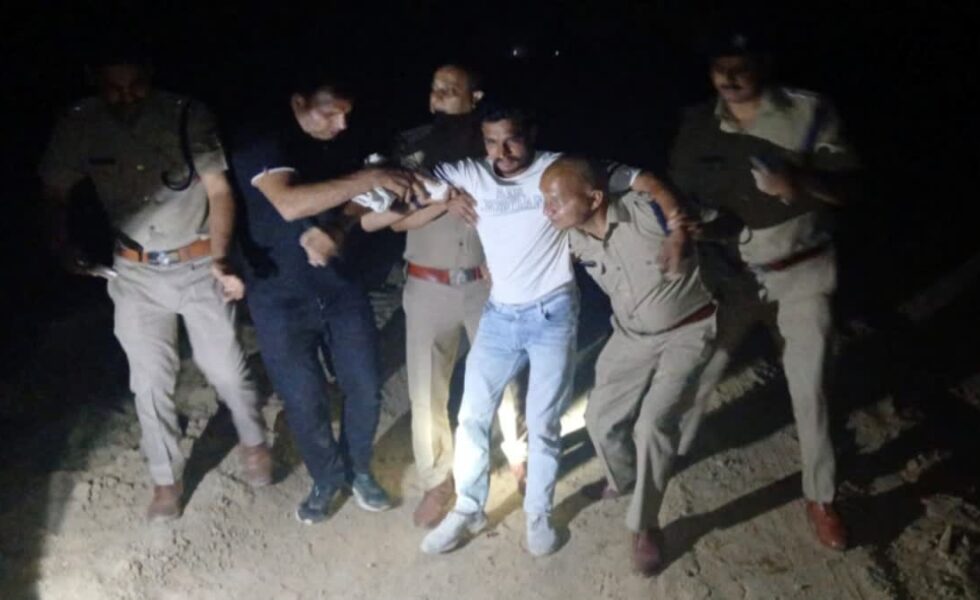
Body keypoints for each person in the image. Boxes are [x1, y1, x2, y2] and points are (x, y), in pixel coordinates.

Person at [418, 104, 689, 556]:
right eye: (491, 141)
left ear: (531, 133)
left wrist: (677, 224)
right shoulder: (472, 174)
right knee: (471, 416)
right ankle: (468, 507)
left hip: (553, 314)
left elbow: (642, 178)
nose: (501, 152)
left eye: (511, 139)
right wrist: (444, 197)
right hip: (499, 314)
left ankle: (538, 514)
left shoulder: (559, 170)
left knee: (543, 420)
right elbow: (412, 180)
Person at [39, 51, 272, 522]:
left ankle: (253, 439)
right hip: (135, 274)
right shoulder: (80, 124)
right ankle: (165, 477)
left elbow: (219, 190)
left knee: (224, 366)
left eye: (136, 85)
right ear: (93, 79)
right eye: (113, 87)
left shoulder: (186, 114)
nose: (126, 97)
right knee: (148, 381)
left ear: (150, 75)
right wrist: (63, 245)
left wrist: (221, 258)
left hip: (198, 263)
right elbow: (54, 190)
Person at [668, 31, 860, 550]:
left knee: (810, 388)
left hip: (802, 273)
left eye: (741, 65)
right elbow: (683, 195)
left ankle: (821, 497)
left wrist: (798, 183)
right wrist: (694, 226)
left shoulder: (808, 112)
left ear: (764, 63)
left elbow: (850, 186)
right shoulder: (698, 125)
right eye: (719, 67)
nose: (729, 78)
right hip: (732, 278)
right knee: (697, 375)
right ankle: (664, 462)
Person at [228, 70, 422, 524]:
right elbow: (290, 203)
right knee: (304, 399)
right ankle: (327, 478)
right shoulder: (263, 140)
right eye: (330, 113)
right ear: (299, 103)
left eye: (347, 115)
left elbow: (363, 199)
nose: (341, 124)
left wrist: (339, 224)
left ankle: (359, 470)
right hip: (278, 297)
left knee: (365, 387)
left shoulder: (345, 143)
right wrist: (367, 177)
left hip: (341, 288)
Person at [362, 64, 528, 529]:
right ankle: (438, 478)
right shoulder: (412, 150)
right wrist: (441, 201)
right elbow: (393, 220)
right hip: (427, 285)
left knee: (505, 378)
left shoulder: (497, 147)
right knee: (426, 388)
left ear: (475, 97)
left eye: (450, 90)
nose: (438, 97)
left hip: (485, 284)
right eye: (435, 89)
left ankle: (520, 457)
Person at [542, 156, 716, 575]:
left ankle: (645, 524)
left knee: (653, 424)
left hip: (688, 331)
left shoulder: (648, 211)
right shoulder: (569, 238)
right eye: (545, 201)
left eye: (556, 201)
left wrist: (684, 229)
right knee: (600, 419)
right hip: (630, 337)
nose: (547, 210)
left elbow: (711, 218)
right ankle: (626, 481)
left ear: (594, 198)